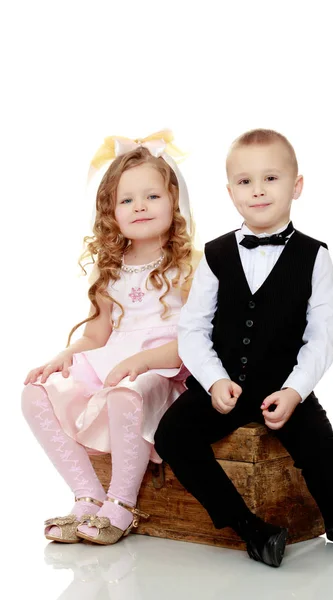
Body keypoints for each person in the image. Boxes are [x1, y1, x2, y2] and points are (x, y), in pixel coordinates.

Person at [154, 128, 333, 567]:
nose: (258, 190)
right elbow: (192, 329)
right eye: (245, 182)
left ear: (296, 186)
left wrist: (296, 390)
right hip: (221, 385)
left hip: (283, 384)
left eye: (271, 179)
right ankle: (250, 527)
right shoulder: (216, 254)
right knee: (172, 436)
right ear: (230, 193)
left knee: (320, 444)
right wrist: (214, 379)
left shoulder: (314, 256)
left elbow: (323, 334)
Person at [22, 131, 198, 545]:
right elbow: (97, 334)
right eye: (126, 199)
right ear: (110, 212)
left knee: (126, 392)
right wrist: (65, 354)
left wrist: (144, 361)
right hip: (115, 360)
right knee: (36, 393)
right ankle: (88, 497)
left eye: (152, 196)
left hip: (164, 365)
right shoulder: (111, 270)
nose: (139, 206)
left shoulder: (190, 266)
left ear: (174, 201)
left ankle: (121, 504)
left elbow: (198, 337)